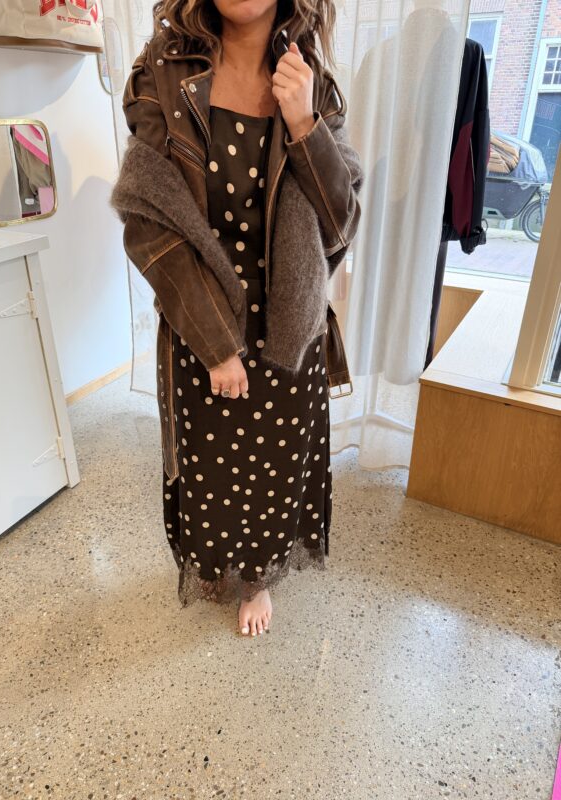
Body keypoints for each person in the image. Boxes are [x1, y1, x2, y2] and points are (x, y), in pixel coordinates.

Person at [115, 0, 362, 637]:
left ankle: (257, 578)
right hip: (201, 322)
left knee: (275, 471)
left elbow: (340, 224)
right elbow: (147, 221)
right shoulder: (163, 74)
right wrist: (215, 344)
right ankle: (219, 561)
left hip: (287, 328)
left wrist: (304, 124)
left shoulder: (312, 84)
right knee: (210, 468)